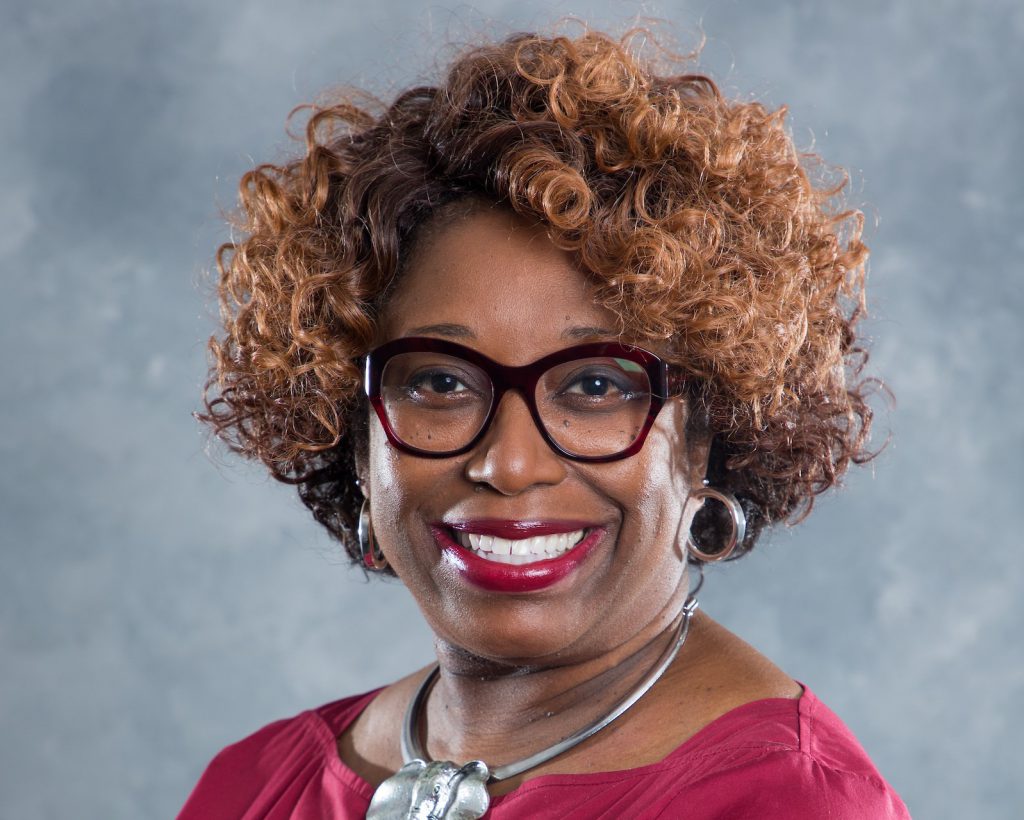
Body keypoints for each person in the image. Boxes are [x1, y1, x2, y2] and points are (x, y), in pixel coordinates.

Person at [181, 27, 909, 819]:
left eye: (595, 385)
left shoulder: (787, 802)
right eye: (438, 382)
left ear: (704, 438)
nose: (511, 463)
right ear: (353, 435)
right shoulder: (253, 786)